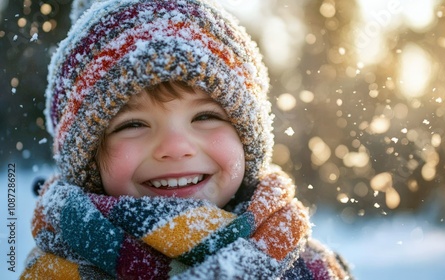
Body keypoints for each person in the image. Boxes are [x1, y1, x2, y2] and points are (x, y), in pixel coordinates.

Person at [21, 0, 352, 279]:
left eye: (205, 117)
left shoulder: (309, 268)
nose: (176, 147)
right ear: (87, 159)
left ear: (248, 141)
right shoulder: (57, 269)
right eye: (133, 124)